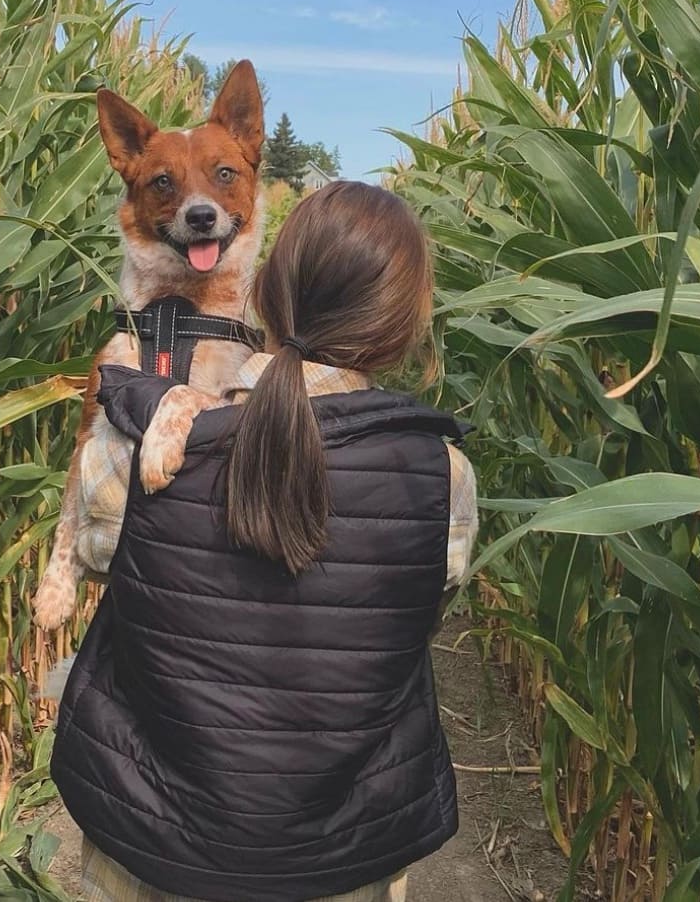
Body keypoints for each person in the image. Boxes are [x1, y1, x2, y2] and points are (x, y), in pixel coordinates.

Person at [52, 181, 478, 902]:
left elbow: (90, 557)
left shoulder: (140, 442)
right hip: (342, 854)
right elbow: (419, 607)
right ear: (404, 323)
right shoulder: (444, 474)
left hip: (152, 848)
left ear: (265, 292)